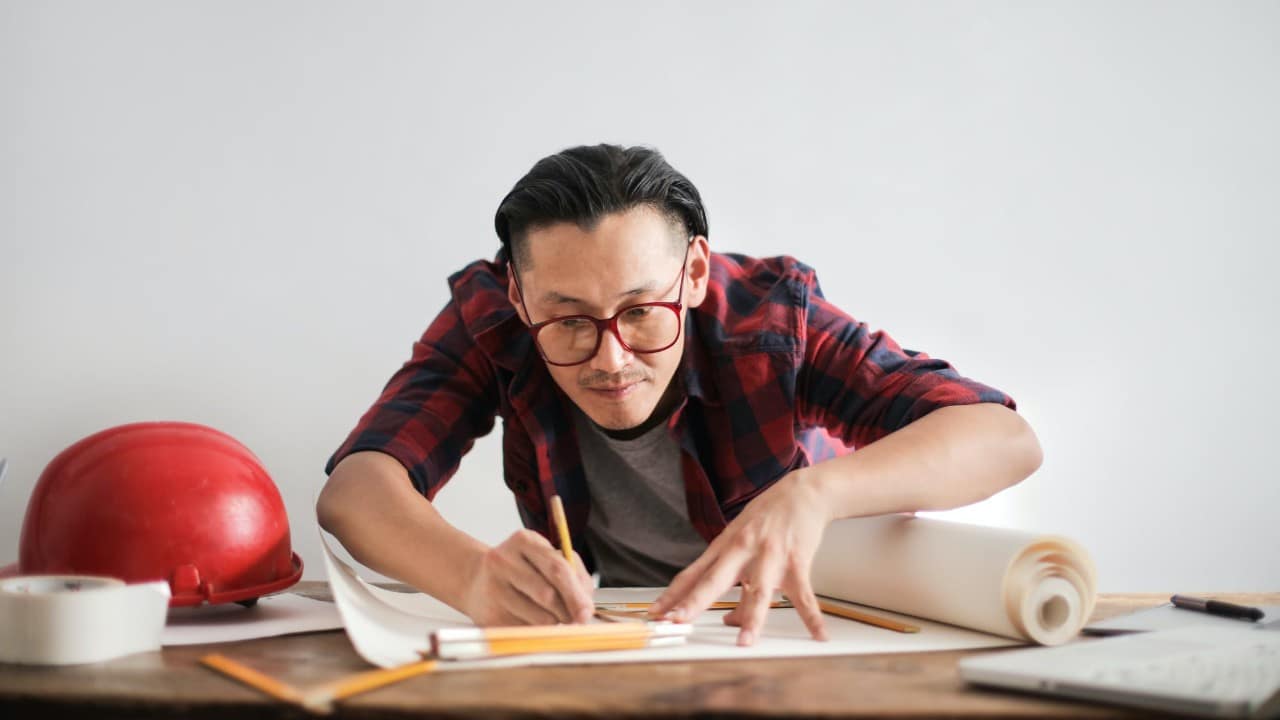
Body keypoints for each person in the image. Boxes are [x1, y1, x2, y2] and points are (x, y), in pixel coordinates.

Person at [316, 144, 1042, 646]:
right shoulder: (493, 322)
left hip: (785, 627)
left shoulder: (767, 322)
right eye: (568, 319)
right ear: (519, 293)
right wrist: (471, 576)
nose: (611, 359)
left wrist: (813, 495)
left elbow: (1003, 438)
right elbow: (357, 490)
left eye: (639, 311)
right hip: (616, 633)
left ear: (694, 273)